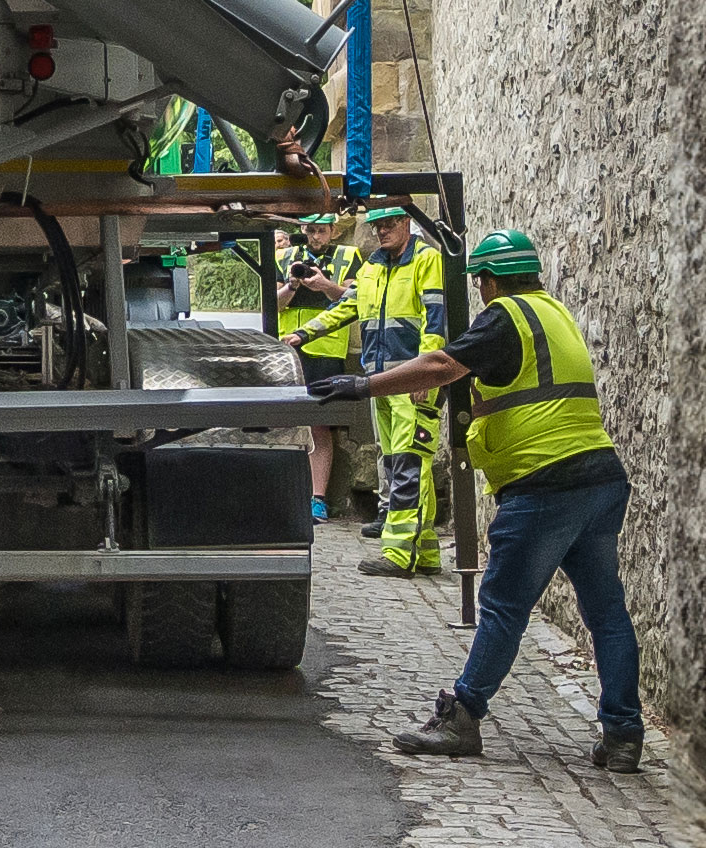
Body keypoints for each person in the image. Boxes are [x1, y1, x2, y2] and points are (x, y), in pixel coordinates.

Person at [308, 227, 643, 771]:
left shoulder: (504, 315)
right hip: (600, 478)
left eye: (481, 282)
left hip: (544, 483)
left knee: (503, 607)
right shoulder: (553, 312)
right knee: (607, 612)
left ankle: (462, 715)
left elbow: (443, 364)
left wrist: (363, 386)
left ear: (488, 281)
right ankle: (624, 735)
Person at [285, 203, 445, 576]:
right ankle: (425, 550)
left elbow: (435, 320)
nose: (381, 231)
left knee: (408, 463)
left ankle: (399, 554)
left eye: (388, 224)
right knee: (397, 463)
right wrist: (303, 333)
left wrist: (426, 374)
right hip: (380, 381)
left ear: (407, 222)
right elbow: (347, 306)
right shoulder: (373, 265)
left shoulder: (426, 260)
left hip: (411, 379)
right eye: (376, 225)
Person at [275, 214, 362, 524]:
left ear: (333, 231)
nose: (315, 237)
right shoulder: (285, 257)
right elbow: (273, 304)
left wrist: (325, 285)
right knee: (284, 423)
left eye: (321, 231)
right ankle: (286, 493)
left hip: (327, 352)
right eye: (310, 231)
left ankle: (318, 498)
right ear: (303, 230)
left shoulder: (348, 256)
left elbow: (352, 301)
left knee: (321, 426)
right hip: (289, 351)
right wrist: (292, 286)